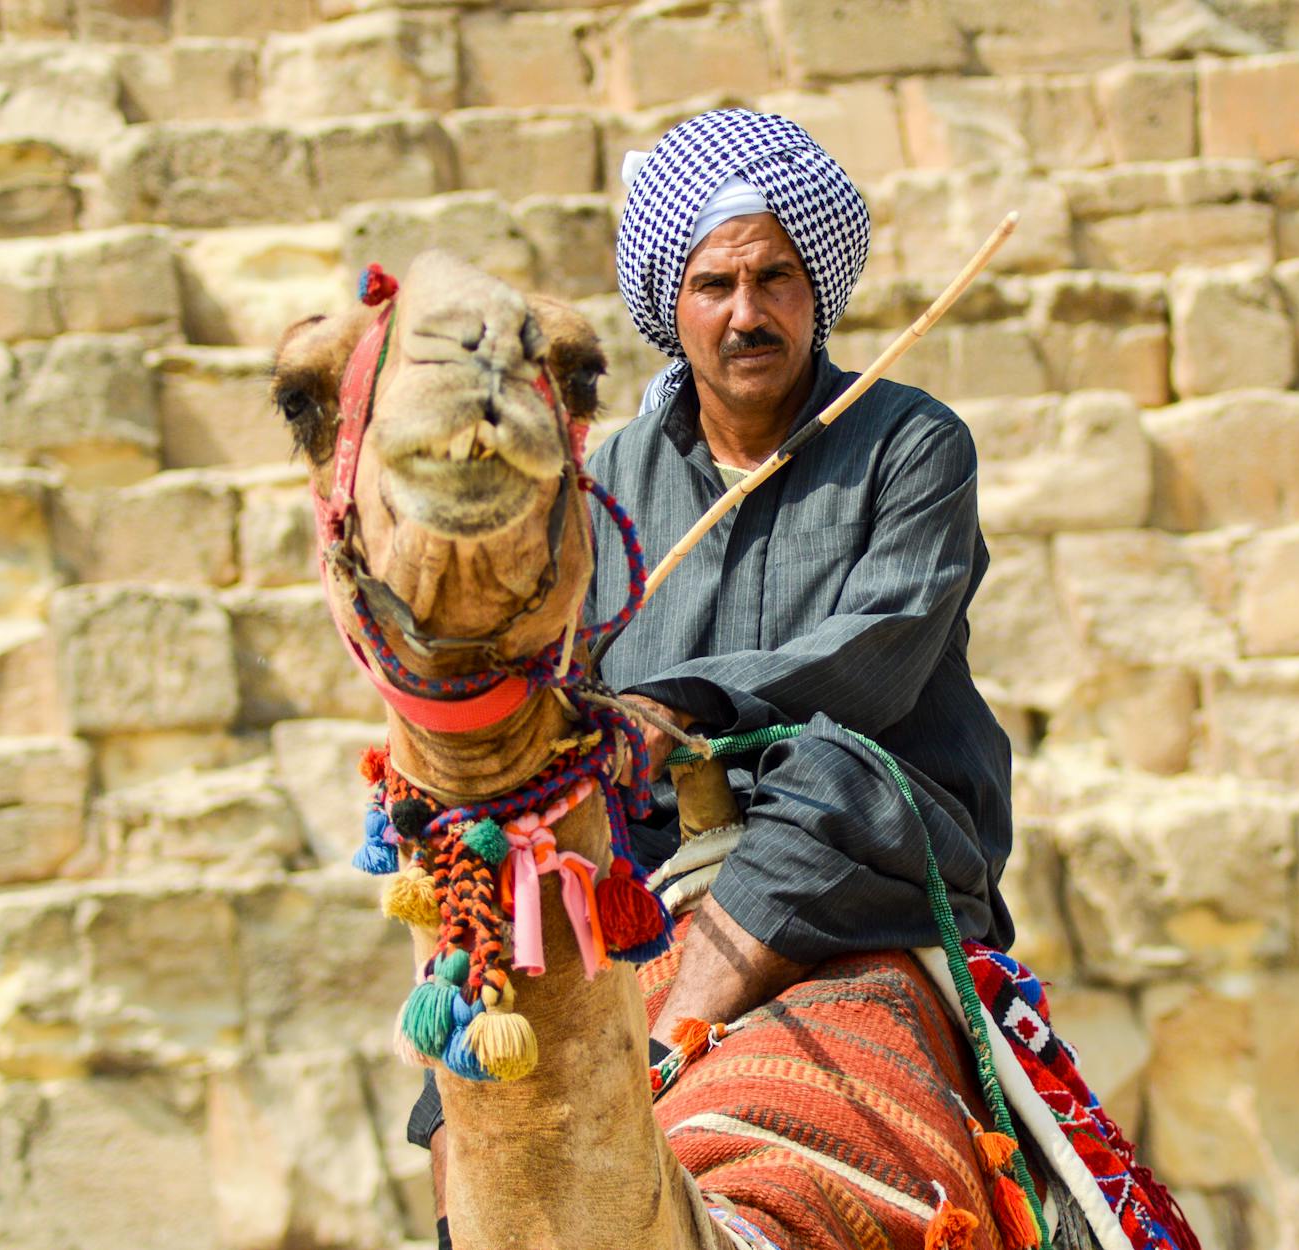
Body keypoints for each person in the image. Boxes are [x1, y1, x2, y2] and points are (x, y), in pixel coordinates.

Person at [408, 104, 1016, 1211]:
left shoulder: (913, 441)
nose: (747, 313)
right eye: (713, 286)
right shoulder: (601, 484)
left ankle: (670, 1034)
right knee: (484, 957)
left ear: (815, 287)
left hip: (853, 836)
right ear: (669, 306)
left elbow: (874, 658)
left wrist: (681, 703)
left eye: (774, 278)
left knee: (839, 770)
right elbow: (556, 678)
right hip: (649, 847)